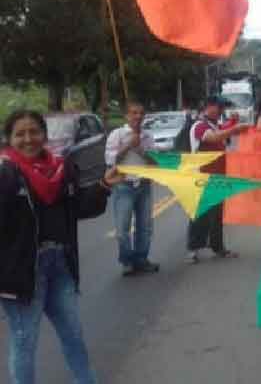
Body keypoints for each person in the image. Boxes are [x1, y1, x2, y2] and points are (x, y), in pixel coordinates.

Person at [1, 110, 112, 384]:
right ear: (8, 139)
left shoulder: (62, 169)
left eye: (34, 132)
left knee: (73, 335)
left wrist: (104, 185)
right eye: (20, 134)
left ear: (44, 135)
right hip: (22, 274)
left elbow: (80, 209)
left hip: (60, 264)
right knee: (24, 343)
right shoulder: (5, 174)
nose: (28, 139)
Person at [186, 96, 248, 264]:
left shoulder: (214, 125)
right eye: (219, 107)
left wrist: (234, 124)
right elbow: (212, 138)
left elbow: (221, 133)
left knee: (217, 215)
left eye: (222, 107)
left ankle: (218, 247)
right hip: (203, 176)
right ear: (208, 107)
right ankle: (193, 249)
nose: (221, 110)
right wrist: (235, 129)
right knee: (200, 214)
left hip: (218, 176)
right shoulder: (199, 126)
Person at [104, 100, 159, 276]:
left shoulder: (148, 136)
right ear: (126, 116)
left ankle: (141, 260)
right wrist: (128, 145)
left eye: (141, 113)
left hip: (143, 184)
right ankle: (127, 261)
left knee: (145, 226)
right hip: (123, 186)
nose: (138, 116)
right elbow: (111, 161)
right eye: (134, 113)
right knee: (122, 229)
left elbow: (155, 162)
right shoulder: (117, 134)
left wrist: (141, 149)